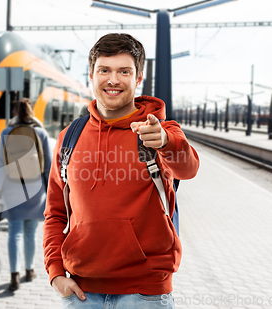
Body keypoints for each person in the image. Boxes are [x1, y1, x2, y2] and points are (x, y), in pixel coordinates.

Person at [43, 33, 200, 308]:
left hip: (145, 294)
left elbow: (188, 168)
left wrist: (165, 142)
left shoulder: (161, 131)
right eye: (104, 70)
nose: (113, 80)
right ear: (91, 75)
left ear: (138, 78)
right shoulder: (69, 138)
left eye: (124, 71)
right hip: (81, 293)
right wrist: (55, 271)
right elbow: (55, 213)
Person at [0, 98, 52, 292]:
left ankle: (14, 276)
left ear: (15, 113)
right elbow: (49, 166)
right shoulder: (41, 133)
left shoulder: (6, 133)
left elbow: (0, 165)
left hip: (11, 189)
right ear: (31, 111)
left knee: (14, 233)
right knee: (30, 233)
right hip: (35, 190)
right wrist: (52, 192)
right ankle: (30, 270)